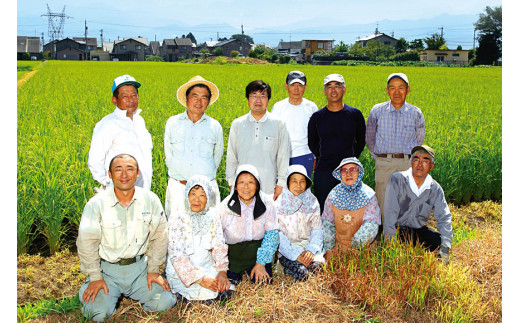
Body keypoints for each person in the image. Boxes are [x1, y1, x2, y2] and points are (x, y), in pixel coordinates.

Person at [77, 154, 175, 322]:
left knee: (165, 302)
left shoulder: (150, 200)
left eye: (129, 169)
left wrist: (153, 270)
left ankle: (137, 291)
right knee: (97, 314)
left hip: (139, 270)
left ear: (137, 173)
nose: (124, 175)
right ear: (109, 174)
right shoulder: (96, 204)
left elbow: (160, 235)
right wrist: (95, 277)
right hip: (107, 271)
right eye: (118, 169)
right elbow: (86, 242)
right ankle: (92, 289)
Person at [164, 75, 223, 219]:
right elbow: (168, 154)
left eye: (204, 97)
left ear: (209, 102)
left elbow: (217, 157)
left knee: (208, 233)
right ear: (186, 98)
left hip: (206, 190)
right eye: (194, 96)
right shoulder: (172, 123)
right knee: (176, 232)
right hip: (178, 187)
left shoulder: (215, 126)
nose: (199, 101)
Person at [365, 73, 425, 215]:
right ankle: (387, 235)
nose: (396, 92)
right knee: (383, 200)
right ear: (387, 90)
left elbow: (419, 140)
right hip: (384, 163)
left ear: (408, 90)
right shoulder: (377, 111)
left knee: (407, 200)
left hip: (407, 164)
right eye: (392, 88)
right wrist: (381, 158)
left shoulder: (415, 113)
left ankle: (404, 235)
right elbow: (369, 138)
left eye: (401, 88)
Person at [165, 175, 231, 303]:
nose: (196, 200)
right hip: (182, 273)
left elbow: (219, 244)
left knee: (224, 289)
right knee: (205, 297)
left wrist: (222, 272)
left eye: (202, 195)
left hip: (206, 267)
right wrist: (200, 279)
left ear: (208, 198)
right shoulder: (177, 217)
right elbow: (177, 254)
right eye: (193, 194)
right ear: (186, 196)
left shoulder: (213, 215)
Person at [383, 145, 452, 264]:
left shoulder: (435, 188)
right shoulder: (397, 179)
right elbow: (390, 213)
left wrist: (445, 247)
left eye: (425, 161)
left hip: (418, 230)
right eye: (416, 159)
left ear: (432, 166)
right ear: (411, 162)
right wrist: (390, 246)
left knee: (438, 241)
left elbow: (444, 217)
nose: (420, 164)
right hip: (398, 229)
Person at [308, 74, 366, 212]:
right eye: (329, 87)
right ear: (324, 91)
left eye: (337, 86)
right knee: (323, 206)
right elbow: (312, 142)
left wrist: (350, 159)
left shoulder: (355, 114)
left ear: (344, 89)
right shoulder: (317, 117)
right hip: (324, 169)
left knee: (349, 209)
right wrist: (322, 156)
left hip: (348, 170)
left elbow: (361, 141)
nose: (333, 90)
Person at [226, 80, 290, 200]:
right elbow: (231, 156)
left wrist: (281, 184)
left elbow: (283, 156)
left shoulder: (278, 124)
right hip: (242, 189)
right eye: (254, 96)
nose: (258, 100)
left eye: (263, 96)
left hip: (268, 188)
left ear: (268, 99)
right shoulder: (238, 124)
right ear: (248, 99)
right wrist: (231, 182)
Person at [88, 75, 153, 191]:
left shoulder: (139, 121)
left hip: (143, 191)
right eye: (125, 97)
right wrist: (108, 185)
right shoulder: (107, 124)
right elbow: (94, 160)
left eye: (134, 95)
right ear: (114, 100)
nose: (131, 100)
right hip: (119, 194)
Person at [219, 164, 279, 286]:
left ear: (257, 186)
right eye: (241, 182)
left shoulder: (267, 204)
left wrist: (261, 263)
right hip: (233, 258)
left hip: (257, 255)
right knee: (227, 293)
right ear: (235, 186)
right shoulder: (225, 207)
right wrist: (222, 270)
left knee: (263, 285)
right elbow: (217, 239)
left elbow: (272, 234)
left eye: (251, 182)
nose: (246, 187)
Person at [321, 157, 381, 262]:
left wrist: (355, 250)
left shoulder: (369, 195)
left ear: (359, 172)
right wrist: (329, 250)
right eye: (344, 170)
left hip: (363, 250)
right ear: (339, 174)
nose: (348, 174)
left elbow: (371, 225)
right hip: (338, 249)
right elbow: (327, 225)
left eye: (353, 169)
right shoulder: (333, 195)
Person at [274, 164, 324, 281]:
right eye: (294, 181)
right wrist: (296, 255)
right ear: (287, 183)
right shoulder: (279, 204)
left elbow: (317, 229)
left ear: (307, 183)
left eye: (302, 181)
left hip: (308, 247)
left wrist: (311, 250)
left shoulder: (312, 201)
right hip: (289, 250)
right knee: (302, 274)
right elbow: (278, 235)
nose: (298, 185)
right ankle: (282, 267)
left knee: (317, 270)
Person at [271, 71, 319, 178]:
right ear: (286, 86)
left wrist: (315, 157)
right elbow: (273, 133)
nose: (296, 89)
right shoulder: (278, 107)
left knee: (302, 189)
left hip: (305, 155)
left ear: (305, 87)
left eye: (300, 85)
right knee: (282, 190)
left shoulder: (311, 107)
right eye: (293, 85)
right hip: (282, 156)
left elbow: (317, 134)